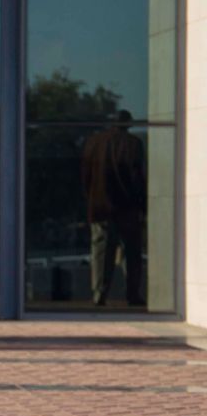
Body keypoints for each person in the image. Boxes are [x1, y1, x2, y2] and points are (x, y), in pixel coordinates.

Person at [81, 110, 146, 306]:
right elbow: (138, 178)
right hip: (128, 208)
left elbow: (85, 176)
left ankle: (99, 294)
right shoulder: (134, 144)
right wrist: (143, 206)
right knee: (132, 253)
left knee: (101, 253)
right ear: (128, 124)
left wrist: (91, 198)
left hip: (101, 205)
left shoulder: (94, 142)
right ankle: (133, 294)